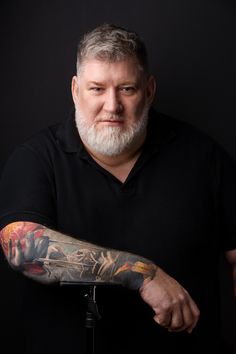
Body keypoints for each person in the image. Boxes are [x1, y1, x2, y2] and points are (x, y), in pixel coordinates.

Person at [0, 23, 235, 354]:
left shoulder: (205, 158)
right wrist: (143, 274)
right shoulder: (36, 159)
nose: (112, 106)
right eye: (97, 89)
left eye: (127, 88)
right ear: (75, 90)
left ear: (149, 90)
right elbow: (23, 249)